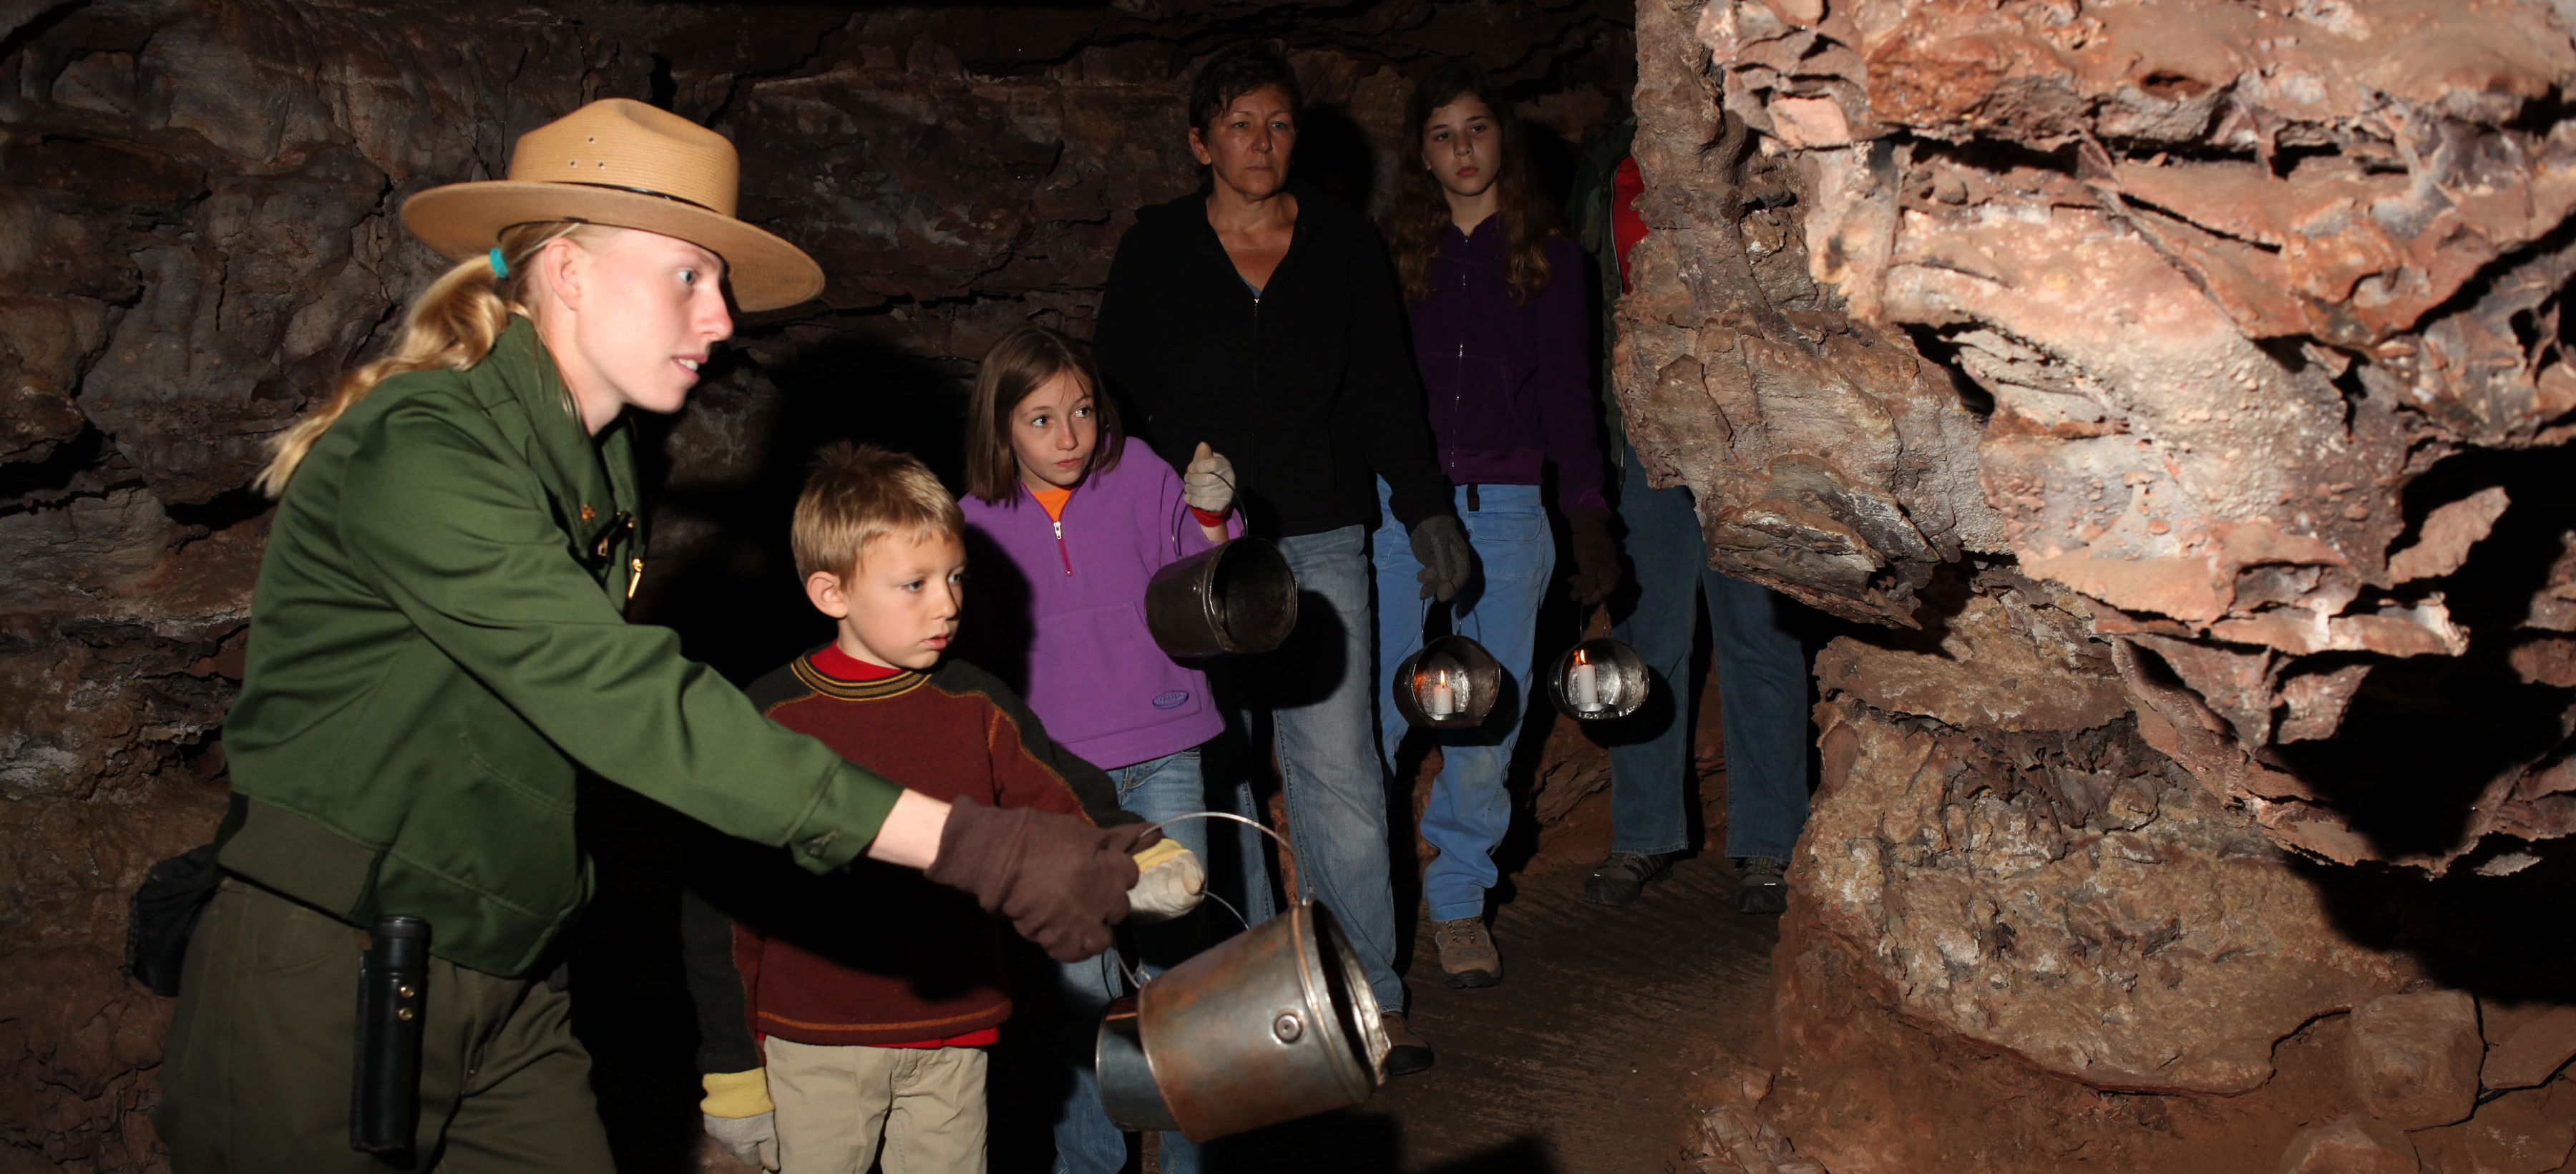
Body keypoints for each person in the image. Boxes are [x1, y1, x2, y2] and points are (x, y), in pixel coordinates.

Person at [155, 99, 1148, 1173]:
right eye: (688, 275)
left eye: (719, 284)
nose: (720, 319)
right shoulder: (423, 445)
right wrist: (973, 845)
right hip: (340, 962)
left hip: (512, 976)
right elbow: (621, 696)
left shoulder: (601, 469)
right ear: (568, 271)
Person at [1093, 43, 1470, 1074]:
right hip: (1192, 548)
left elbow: (1385, 386)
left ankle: (1367, 1000)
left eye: (1279, 124)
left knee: (1339, 769)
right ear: (1199, 142)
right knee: (1214, 768)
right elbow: (1116, 404)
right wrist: (1138, 519)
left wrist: (1425, 508)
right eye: (1240, 125)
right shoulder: (1158, 247)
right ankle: (1258, 1011)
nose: (1262, 143)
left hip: (1318, 538)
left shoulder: (1342, 241)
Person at [681, 444, 1199, 1174]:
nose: (948, 603)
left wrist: (1140, 849)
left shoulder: (976, 701)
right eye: (915, 584)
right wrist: (733, 1070)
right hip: (816, 1045)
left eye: (955, 576)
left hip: (955, 1036)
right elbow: (721, 912)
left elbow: (1062, 789)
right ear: (831, 593)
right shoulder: (771, 718)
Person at [953, 327, 1246, 1174]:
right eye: (1041, 419)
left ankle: (1194, 1159)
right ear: (1001, 426)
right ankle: (1091, 1162)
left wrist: (1210, 515)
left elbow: (1206, 578)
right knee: (1079, 980)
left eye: (1082, 411)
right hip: (1054, 778)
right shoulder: (970, 524)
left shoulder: (1140, 474)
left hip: (1163, 745)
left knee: (1180, 967)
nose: (1070, 436)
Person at [1374, 63, 1619, 988]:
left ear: (1502, 140)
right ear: (1421, 154)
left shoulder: (1551, 256)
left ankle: (1458, 902)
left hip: (1509, 508)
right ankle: (1366, 902)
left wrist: (1587, 511)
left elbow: (1570, 394)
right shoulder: (1395, 253)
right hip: (1402, 509)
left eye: (1477, 128)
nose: (1463, 149)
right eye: (1442, 134)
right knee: (1377, 713)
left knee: (1486, 719)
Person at [1566, 118, 1813, 914]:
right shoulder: (1610, 160)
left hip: (1747, 427)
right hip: (1648, 425)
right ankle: (1643, 833)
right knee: (1646, 638)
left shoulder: (1757, 144)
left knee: (1761, 633)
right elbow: (1593, 301)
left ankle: (1772, 842)